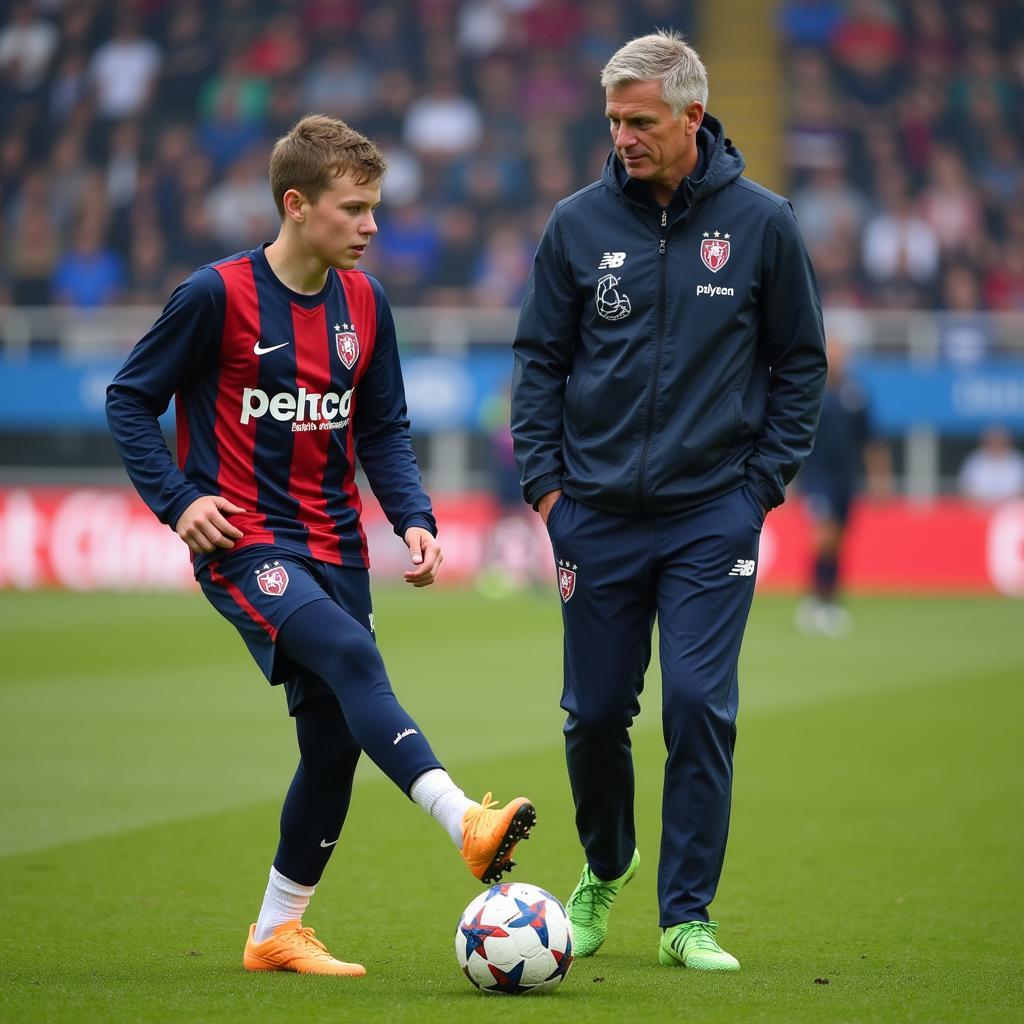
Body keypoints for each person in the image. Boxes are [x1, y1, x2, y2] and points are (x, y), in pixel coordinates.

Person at [106, 115, 534, 978]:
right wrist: (179, 500)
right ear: (297, 206)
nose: (373, 225)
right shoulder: (215, 296)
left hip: (335, 543)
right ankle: (465, 822)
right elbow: (128, 398)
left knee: (334, 746)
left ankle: (275, 932)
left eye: (375, 208)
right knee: (347, 653)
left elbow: (382, 429)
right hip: (245, 538)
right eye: (356, 209)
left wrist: (415, 515)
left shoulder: (367, 303)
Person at [511, 30, 827, 971]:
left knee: (697, 704)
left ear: (693, 116)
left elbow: (800, 362)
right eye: (613, 120)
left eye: (640, 121)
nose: (623, 138)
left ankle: (686, 915)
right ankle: (607, 863)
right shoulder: (576, 223)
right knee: (596, 715)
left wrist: (759, 489)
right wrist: (547, 489)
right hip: (594, 515)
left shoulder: (764, 222)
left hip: (709, 517)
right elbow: (538, 360)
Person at [795, 335, 891, 636]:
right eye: (831, 354)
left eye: (840, 355)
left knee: (838, 541)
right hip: (816, 476)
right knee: (823, 535)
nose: (836, 360)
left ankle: (829, 599)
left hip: (846, 478)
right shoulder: (810, 392)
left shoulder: (857, 394)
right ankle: (816, 599)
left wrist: (879, 479)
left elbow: (872, 441)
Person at [958, 425, 1024, 504]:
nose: (996, 443)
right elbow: (965, 488)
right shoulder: (975, 460)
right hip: (979, 509)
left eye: (1000, 440)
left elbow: (1021, 490)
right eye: (993, 440)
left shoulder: (1017, 461)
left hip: (1011, 510)